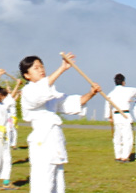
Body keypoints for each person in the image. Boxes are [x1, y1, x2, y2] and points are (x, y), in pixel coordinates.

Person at [20, 53, 102, 193]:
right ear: (27, 75)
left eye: (42, 66)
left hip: (55, 143)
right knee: (42, 186)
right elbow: (40, 92)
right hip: (41, 144)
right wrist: (62, 68)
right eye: (36, 68)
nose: (41, 70)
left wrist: (91, 93)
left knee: (58, 186)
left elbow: (70, 104)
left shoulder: (50, 93)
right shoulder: (28, 92)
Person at [107, 73, 136, 162]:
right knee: (127, 137)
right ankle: (124, 157)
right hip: (124, 116)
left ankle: (118, 155)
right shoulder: (128, 90)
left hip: (116, 116)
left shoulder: (111, 94)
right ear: (123, 82)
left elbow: (108, 106)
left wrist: (109, 116)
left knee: (117, 137)